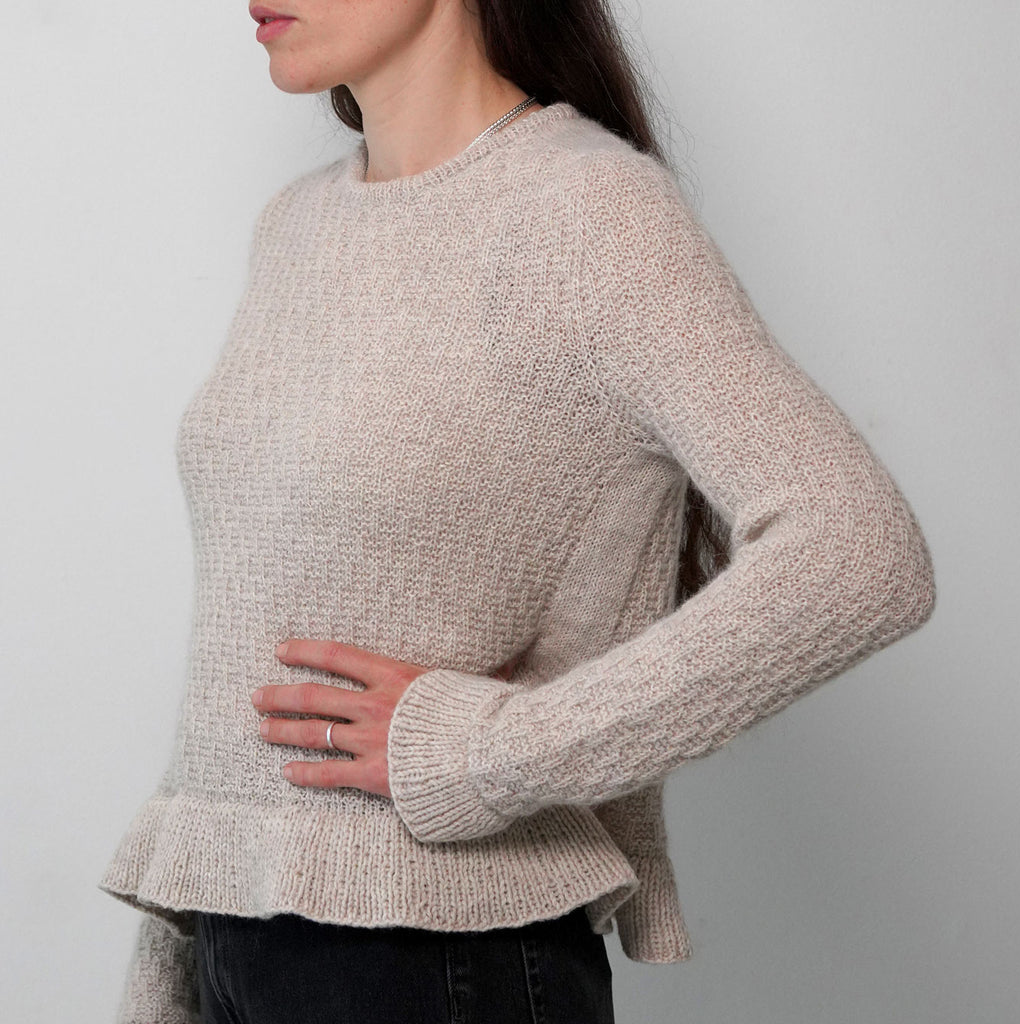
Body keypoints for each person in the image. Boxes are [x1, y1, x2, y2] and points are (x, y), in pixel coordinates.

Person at [100, 0, 937, 1021]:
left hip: (433, 960)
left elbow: (860, 553)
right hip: (243, 954)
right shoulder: (297, 223)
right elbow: (245, 646)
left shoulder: (587, 212)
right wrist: (172, 976)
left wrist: (486, 755)